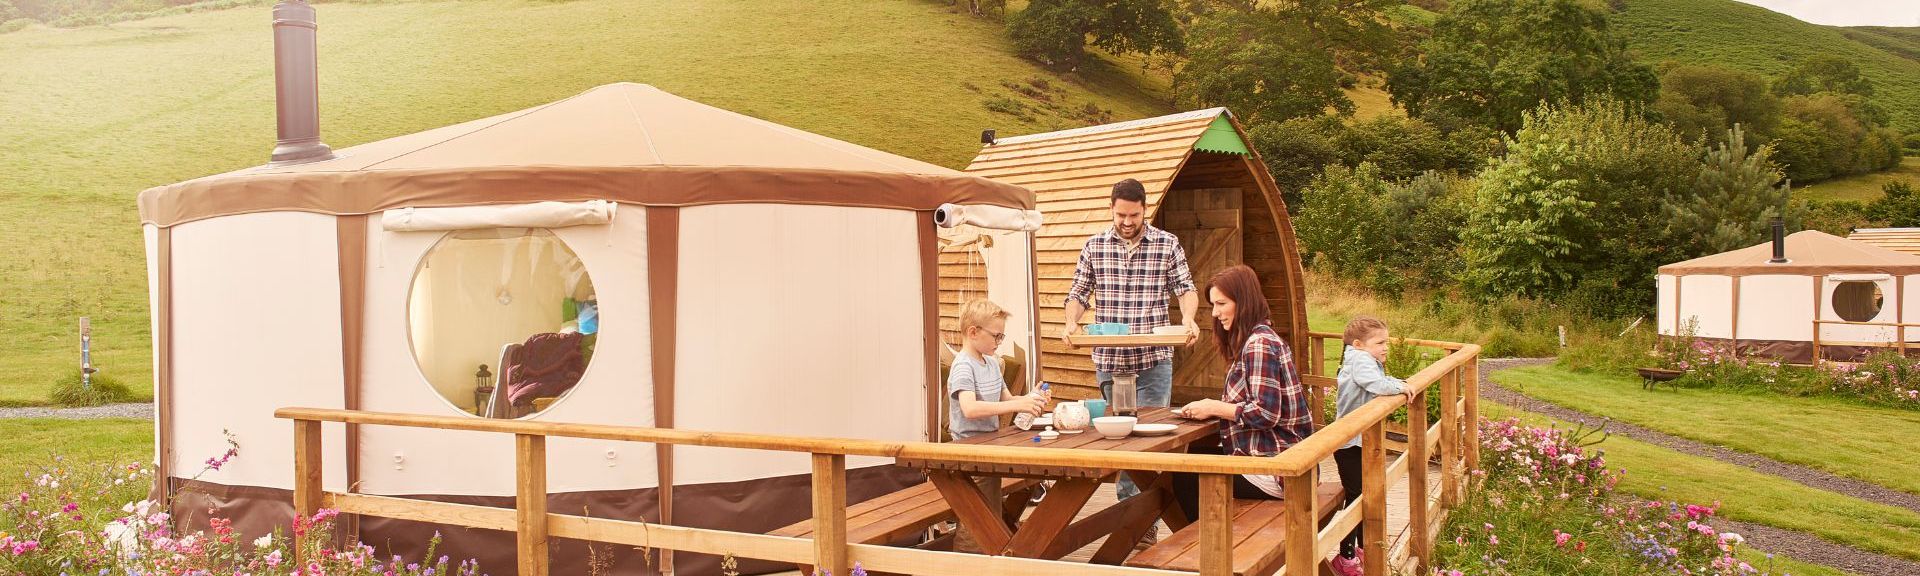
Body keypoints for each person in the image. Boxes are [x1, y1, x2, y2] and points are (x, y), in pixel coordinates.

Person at [1064, 178, 1199, 509]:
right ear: (1111, 209)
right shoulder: (1094, 246)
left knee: (1149, 440)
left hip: (1152, 360)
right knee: (1119, 439)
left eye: (1134, 216)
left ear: (1144, 210)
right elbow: (1079, 293)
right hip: (1109, 362)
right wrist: (1071, 321)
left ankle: (1144, 518)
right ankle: (1128, 514)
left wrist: (1189, 319)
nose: (1127, 223)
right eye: (1121, 215)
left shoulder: (1167, 244)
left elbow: (1185, 288)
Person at [1171, 265, 1314, 521]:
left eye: (1221, 304)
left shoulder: (1258, 344)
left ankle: (1207, 551)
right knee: (1192, 460)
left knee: (1185, 474)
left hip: (1277, 469)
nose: (1215, 313)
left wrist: (1213, 407)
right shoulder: (1258, 338)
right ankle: (1207, 544)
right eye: (1213, 305)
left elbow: (1265, 413)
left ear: (1243, 301)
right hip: (1278, 461)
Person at [945, 299, 1046, 552]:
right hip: (968, 453)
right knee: (975, 519)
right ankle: (966, 566)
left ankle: (990, 556)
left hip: (988, 448)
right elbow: (970, 408)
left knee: (989, 510)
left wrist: (1031, 398)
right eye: (996, 336)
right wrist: (1016, 407)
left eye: (1002, 336)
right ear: (973, 332)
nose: (998, 342)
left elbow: (1008, 399)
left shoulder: (991, 363)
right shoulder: (963, 367)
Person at [1328, 316, 1409, 576]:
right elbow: (1375, 385)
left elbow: (1377, 380)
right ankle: (1346, 557)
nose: (1386, 347)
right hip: (1349, 443)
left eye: (1387, 341)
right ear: (1359, 344)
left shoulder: (1361, 358)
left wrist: (1398, 383)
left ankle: (1359, 550)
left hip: (1357, 440)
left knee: (1363, 494)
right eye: (1380, 342)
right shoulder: (1361, 360)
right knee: (1356, 498)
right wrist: (1403, 387)